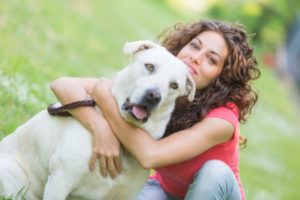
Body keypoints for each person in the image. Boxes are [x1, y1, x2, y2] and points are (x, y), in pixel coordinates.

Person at [51, 19, 260, 200]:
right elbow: (63, 85)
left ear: (221, 77)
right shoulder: (160, 85)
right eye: (194, 46)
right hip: (166, 192)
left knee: (216, 172)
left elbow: (149, 155)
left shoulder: (223, 120)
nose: (196, 58)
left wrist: (104, 98)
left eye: (212, 59)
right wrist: (99, 128)